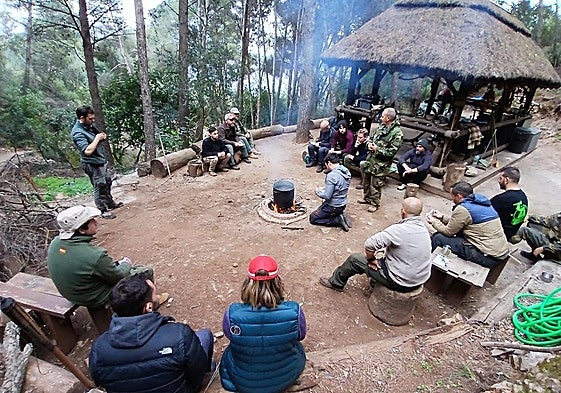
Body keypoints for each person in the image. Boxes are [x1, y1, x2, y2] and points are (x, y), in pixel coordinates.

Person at [89, 274, 215, 393]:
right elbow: (196, 373)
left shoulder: (99, 349)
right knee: (205, 335)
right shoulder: (179, 335)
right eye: (155, 294)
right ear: (148, 307)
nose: (158, 296)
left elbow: (100, 380)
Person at [47, 205, 157, 332]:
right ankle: (148, 305)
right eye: (92, 220)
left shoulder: (56, 243)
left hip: (71, 294)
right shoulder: (94, 255)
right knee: (144, 272)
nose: (96, 222)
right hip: (94, 297)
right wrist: (126, 263)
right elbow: (119, 276)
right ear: (82, 229)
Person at [220, 255, 306, 393]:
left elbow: (230, 336)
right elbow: (301, 336)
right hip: (285, 376)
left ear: (247, 283)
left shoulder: (232, 314)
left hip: (243, 381)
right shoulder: (294, 311)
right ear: (277, 282)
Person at [319, 197, 431, 293]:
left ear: (403, 212)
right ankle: (374, 281)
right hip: (419, 280)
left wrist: (371, 260)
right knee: (383, 254)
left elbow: (369, 244)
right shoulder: (424, 230)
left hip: (400, 282)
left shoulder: (399, 230)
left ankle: (336, 283)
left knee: (355, 260)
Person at [426, 181, 510, 268]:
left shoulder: (463, 209)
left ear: (459, 196)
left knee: (438, 238)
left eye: (453, 196)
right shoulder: (482, 204)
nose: (452, 200)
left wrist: (434, 222)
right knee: (458, 235)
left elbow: (448, 232)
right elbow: (459, 223)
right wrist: (442, 217)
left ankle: (427, 266)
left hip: (487, 256)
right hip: (499, 252)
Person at [71, 106, 121, 219]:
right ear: (82, 118)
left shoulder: (89, 126)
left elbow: (98, 135)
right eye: (90, 118)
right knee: (99, 186)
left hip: (100, 160)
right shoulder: (78, 133)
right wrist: (97, 139)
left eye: (93, 118)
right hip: (91, 163)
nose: (93, 120)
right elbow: (87, 151)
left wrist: (101, 136)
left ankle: (110, 203)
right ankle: (102, 210)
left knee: (107, 181)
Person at [358, 107, 403, 213]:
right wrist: (369, 145)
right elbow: (371, 138)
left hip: (381, 164)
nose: (380, 117)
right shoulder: (380, 127)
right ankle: (367, 198)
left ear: (388, 118)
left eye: (382, 116)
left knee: (376, 184)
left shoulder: (397, 134)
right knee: (366, 181)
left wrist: (377, 149)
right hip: (370, 160)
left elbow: (391, 152)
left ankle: (375, 203)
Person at [309, 153, 352, 232]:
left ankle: (337, 221)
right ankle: (340, 214)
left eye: (326, 165)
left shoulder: (331, 176)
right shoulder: (346, 171)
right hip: (342, 204)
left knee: (313, 218)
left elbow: (327, 196)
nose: (326, 167)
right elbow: (338, 187)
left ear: (329, 163)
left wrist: (318, 192)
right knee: (323, 205)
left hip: (333, 206)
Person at [490, 166, 528, 242]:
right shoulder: (523, 197)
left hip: (499, 235)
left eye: (500, 178)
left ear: (507, 180)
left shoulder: (501, 199)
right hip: (512, 232)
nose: (498, 181)